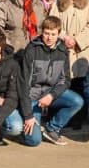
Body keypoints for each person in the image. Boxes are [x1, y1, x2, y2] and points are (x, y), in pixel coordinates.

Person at [19, 16, 85, 146]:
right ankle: (24, 123)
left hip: (50, 92)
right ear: (41, 32)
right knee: (34, 141)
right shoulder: (32, 50)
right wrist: (28, 115)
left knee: (77, 101)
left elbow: (65, 80)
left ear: (59, 34)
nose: (49, 38)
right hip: (32, 96)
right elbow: (23, 85)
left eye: (53, 34)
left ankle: (52, 128)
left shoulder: (63, 51)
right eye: (46, 33)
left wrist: (51, 95)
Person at [49, 0, 89, 120]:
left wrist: (77, 40)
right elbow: (52, 23)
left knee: (82, 84)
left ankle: (79, 118)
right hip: (64, 50)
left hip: (83, 52)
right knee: (64, 84)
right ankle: (61, 117)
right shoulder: (58, 4)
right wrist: (64, 37)